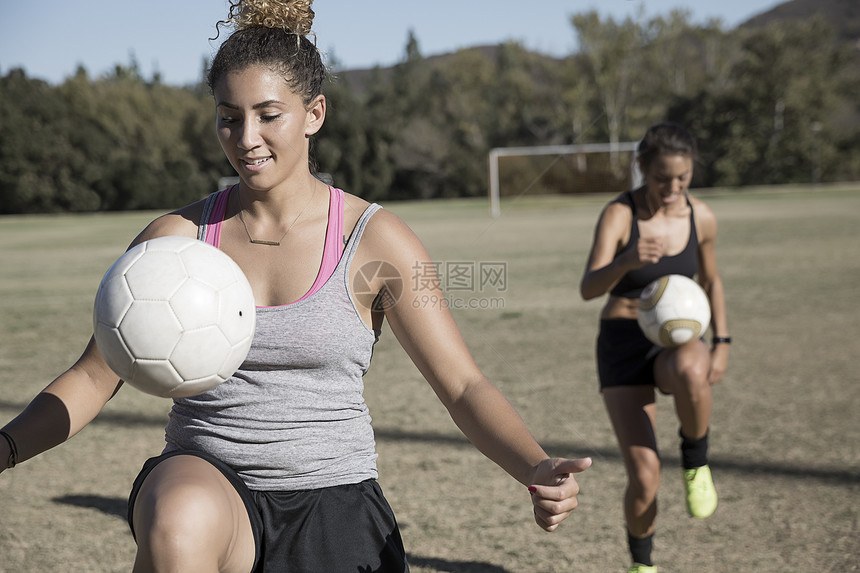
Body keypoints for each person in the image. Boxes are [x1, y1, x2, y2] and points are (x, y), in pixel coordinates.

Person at [0, 1, 591, 571]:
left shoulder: (378, 241)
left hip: (334, 502)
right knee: (178, 520)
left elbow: (462, 384)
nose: (246, 137)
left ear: (314, 113)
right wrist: (5, 448)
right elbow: (91, 376)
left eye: (268, 114)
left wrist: (534, 466)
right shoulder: (174, 239)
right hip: (208, 482)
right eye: (229, 117)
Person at [579, 122, 730, 573]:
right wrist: (628, 259)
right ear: (642, 167)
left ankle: (695, 460)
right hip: (623, 346)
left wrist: (721, 341)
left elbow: (712, 280)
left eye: (682, 178)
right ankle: (643, 567)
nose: (673, 187)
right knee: (644, 479)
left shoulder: (700, 216)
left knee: (691, 365)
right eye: (663, 177)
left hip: (678, 344)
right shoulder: (619, 215)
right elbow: (589, 287)